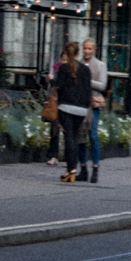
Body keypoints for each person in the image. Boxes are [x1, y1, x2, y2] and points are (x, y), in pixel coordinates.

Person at [52, 41, 92, 183]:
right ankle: (71, 169)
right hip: (81, 109)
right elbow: (88, 90)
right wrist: (86, 107)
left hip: (66, 107)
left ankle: (71, 169)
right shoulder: (86, 70)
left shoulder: (63, 69)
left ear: (66, 53)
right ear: (78, 53)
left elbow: (59, 87)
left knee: (68, 136)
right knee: (74, 136)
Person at [77, 38, 108, 183]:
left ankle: (95, 167)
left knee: (93, 135)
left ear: (94, 50)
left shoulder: (100, 65)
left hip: (93, 103)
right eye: (85, 48)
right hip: (80, 102)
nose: (87, 51)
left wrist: (86, 80)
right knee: (80, 135)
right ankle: (83, 168)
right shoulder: (78, 64)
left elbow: (102, 85)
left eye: (90, 49)